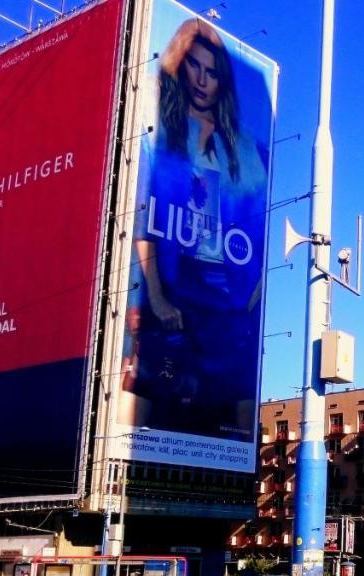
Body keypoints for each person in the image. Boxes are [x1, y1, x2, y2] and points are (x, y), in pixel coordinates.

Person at [121, 18, 268, 436]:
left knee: (236, 406)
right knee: (143, 392)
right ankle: (114, 480)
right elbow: (142, 223)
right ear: (179, 67)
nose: (203, 80)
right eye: (194, 67)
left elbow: (259, 233)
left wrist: (252, 296)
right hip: (176, 285)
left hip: (227, 294)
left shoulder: (247, 151)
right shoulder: (156, 137)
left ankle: (234, 486)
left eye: (212, 71)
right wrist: (157, 299)